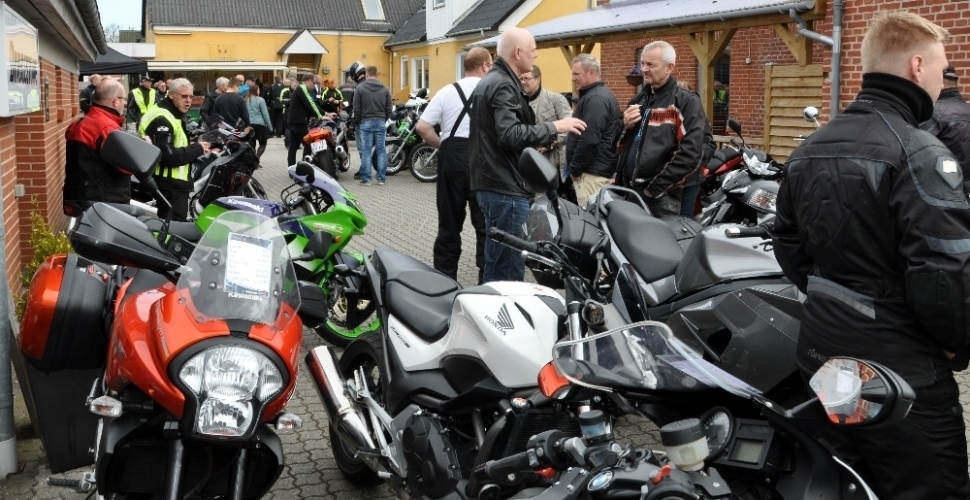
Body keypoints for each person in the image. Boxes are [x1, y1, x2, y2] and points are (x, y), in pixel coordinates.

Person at [771, 11, 970, 500]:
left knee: (850, 479)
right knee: (932, 488)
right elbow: (944, 270)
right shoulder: (918, 151)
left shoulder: (811, 146)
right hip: (900, 369)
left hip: (823, 349)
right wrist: (955, 342)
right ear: (917, 66)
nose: (942, 78)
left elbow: (788, 243)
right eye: (941, 67)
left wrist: (836, 296)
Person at [469, 27, 586, 283]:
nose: (536, 56)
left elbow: (496, 134)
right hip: (505, 188)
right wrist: (555, 126)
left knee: (496, 263)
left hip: (492, 183)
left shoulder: (491, 81)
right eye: (533, 50)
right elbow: (508, 134)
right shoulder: (503, 84)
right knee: (508, 271)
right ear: (518, 52)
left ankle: (491, 304)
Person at [415, 47, 492, 283]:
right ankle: (486, 283)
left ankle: (445, 283)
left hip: (451, 159)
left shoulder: (447, 91)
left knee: (448, 225)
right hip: (483, 160)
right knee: (485, 226)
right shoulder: (492, 91)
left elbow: (422, 127)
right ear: (485, 66)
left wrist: (443, 145)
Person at [615, 41, 707, 216]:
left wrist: (654, 189)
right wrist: (623, 125)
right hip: (630, 191)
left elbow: (690, 154)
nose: (644, 69)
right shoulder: (638, 100)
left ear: (669, 67)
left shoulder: (686, 102)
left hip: (659, 198)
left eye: (651, 64)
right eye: (642, 63)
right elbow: (618, 143)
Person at [139, 78, 211, 221]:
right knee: (173, 228)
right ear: (171, 94)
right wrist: (197, 149)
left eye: (191, 96)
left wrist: (191, 145)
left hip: (173, 184)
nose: (188, 100)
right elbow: (167, 156)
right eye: (184, 96)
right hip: (170, 185)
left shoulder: (171, 113)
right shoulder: (162, 118)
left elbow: (173, 144)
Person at [64, 78, 130, 215]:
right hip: (104, 203)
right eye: (124, 99)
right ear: (115, 101)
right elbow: (126, 167)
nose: (125, 103)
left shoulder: (79, 123)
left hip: (80, 197)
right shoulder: (107, 128)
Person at [566, 54, 621, 209]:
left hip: (591, 175)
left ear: (590, 72)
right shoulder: (595, 96)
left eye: (576, 74)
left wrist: (575, 170)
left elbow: (589, 139)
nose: (573, 78)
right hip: (593, 172)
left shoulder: (596, 99)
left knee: (590, 218)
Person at [520, 65, 572, 201]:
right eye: (520, 79)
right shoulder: (516, 104)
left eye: (526, 78)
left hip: (553, 167)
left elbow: (570, 127)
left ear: (538, 79)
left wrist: (550, 142)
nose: (522, 82)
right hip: (527, 168)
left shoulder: (556, 100)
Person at [921, 65, 970, 175]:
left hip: (941, 179)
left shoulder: (935, 112)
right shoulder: (967, 109)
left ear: (942, 83)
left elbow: (914, 147)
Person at [352, 65, 392, 186]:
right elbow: (389, 108)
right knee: (381, 150)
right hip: (380, 121)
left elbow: (356, 107)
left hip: (365, 121)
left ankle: (366, 179)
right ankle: (381, 179)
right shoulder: (385, 88)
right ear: (377, 74)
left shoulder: (360, 88)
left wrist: (359, 120)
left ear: (366, 74)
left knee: (366, 150)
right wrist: (384, 118)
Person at [287, 73, 326, 167]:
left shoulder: (300, 89)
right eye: (314, 82)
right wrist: (321, 116)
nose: (314, 85)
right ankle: (305, 166)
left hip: (294, 121)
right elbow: (310, 104)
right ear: (309, 81)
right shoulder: (302, 89)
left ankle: (291, 167)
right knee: (309, 144)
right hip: (299, 122)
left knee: (293, 146)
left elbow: (312, 104)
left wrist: (324, 113)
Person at [245, 85, 272, 157]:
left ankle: (253, 160)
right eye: (258, 90)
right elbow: (265, 114)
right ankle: (257, 157)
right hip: (260, 125)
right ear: (255, 91)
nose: (259, 91)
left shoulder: (245, 100)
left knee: (251, 144)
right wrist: (270, 127)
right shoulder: (260, 100)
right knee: (263, 143)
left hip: (249, 125)